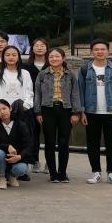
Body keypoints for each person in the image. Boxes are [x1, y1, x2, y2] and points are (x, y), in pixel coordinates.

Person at [77, 39, 112, 185]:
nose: (99, 52)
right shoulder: (84, 69)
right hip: (91, 113)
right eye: (96, 49)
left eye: (103, 49)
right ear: (92, 52)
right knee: (93, 143)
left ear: (108, 52)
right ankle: (96, 172)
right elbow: (80, 91)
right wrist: (82, 112)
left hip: (111, 112)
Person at [34, 46, 77, 183]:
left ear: (63, 58)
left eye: (57, 56)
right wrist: (38, 112)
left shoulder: (70, 75)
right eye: (51, 56)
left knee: (64, 142)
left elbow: (75, 94)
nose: (54, 59)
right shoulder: (42, 74)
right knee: (49, 142)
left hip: (65, 109)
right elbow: (37, 94)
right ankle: (53, 173)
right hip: (48, 109)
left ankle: (62, 173)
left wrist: (76, 112)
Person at [0, 45, 36, 175]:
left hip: (21, 111)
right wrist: (2, 109)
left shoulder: (25, 73)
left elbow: (29, 93)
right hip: (2, 112)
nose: (11, 57)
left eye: (14, 55)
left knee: (21, 138)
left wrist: (24, 106)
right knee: (1, 139)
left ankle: (21, 167)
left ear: (18, 57)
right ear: (3, 57)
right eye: (8, 55)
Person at [0, 99, 31, 190]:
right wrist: (7, 146)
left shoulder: (21, 125)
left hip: (16, 159)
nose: (2, 112)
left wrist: (20, 156)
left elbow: (28, 146)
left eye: (4, 108)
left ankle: (12, 177)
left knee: (22, 169)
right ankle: (2, 178)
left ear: (10, 108)